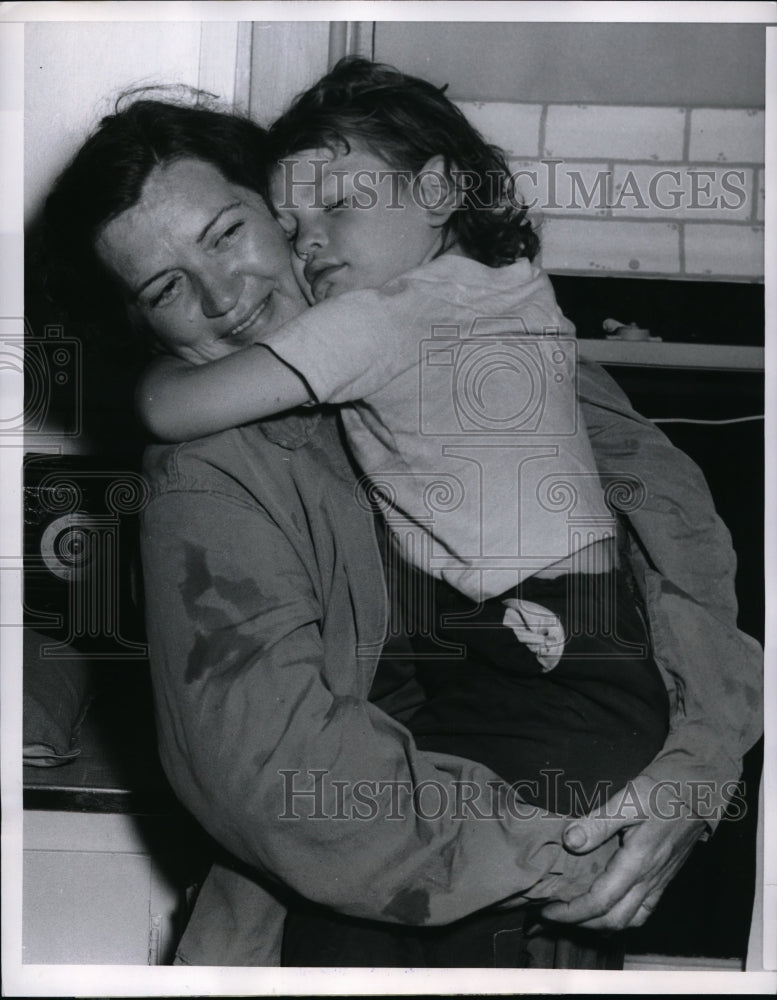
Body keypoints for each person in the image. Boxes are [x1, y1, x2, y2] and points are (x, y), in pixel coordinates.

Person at [41, 96, 762, 968]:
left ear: (280, 208)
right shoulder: (205, 478)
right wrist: (564, 849)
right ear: (142, 322)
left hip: (563, 873)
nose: (223, 297)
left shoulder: (468, 343)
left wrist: (697, 764)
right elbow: (277, 777)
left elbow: (679, 545)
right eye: (165, 288)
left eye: (228, 234)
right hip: (371, 912)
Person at [131, 58, 670, 836]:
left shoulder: (384, 319)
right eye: (295, 231)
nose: (313, 245)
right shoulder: (504, 285)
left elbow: (170, 409)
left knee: (401, 864)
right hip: (588, 650)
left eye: (341, 206)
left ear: (438, 191)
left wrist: (149, 365)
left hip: (545, 667)